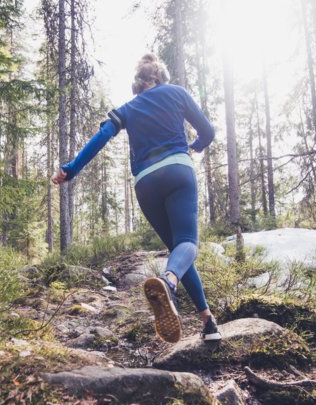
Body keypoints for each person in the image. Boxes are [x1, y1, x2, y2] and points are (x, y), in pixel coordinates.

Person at [51, 53, 221, 344]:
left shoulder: (128, 108)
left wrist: (70, 169)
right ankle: (168, 283)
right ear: (160, 78)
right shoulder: (177, 93)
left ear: (138, 84)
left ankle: (208, 321)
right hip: (178, 172)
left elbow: (101, 136)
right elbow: (208, 131)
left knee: (177, 250)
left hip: (145, 183)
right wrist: (195, 145)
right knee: (187, 243)